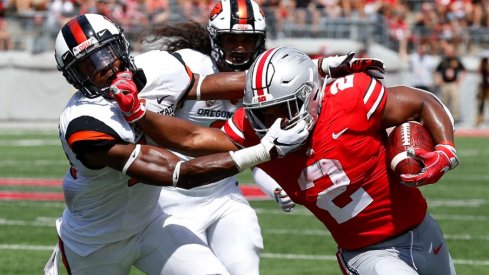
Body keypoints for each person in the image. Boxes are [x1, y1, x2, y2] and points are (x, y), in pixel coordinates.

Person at [121, 47, 459, 275]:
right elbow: (192, 139)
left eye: (279, 110)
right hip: (369, 253)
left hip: (425, 229)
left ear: (310, 96)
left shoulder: (350, 98)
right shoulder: (255, 133)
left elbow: (421, 101)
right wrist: (139, 113)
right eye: (261, 113)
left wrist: (445, 147)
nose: (271, 122)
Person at [46, 14, 309, 275]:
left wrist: (314, 71)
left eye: (107, 53)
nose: (104, 67)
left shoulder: (154, 68)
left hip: (151, 222)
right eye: (88, 65)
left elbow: (202, 87)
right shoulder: (84, 123)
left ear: (121, 46)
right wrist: (263, 151)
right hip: (95, 242)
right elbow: (179, 173)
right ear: (75, 77)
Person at [140, 1, 290, 273]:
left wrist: (277, 186)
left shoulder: (265, 78)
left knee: (245, 267)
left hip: (223, 196)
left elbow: (260, 151)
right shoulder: (189, 65)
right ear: (215, 38)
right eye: (231, 38)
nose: (240, 47)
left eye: (248, 38)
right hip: (170, 201)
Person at [434, 44, 466, 124]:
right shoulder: (443, 61)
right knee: (444, 101)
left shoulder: (456, 60)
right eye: (447, 51)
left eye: (450, 51)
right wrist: (439, 80)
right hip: (445, 84)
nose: (448, 52)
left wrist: (459, 81)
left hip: (453, 84)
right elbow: (436, 71)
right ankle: (444, 117)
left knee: (455, 101)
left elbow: (464, 70)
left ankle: (455, 118)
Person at [476, 57, 489, 127]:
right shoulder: (481, 66)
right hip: (482, 87)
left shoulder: (487, 66)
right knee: (481, 104)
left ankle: (485, 119)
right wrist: (481, 65)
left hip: (488, 87)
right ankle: (479, 120)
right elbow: (478, 72)